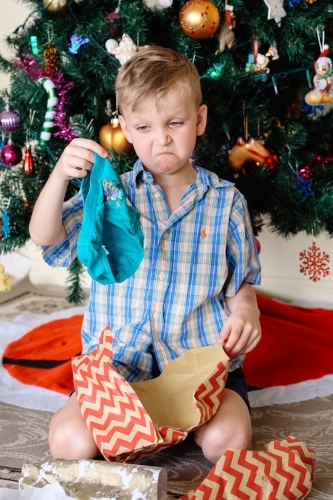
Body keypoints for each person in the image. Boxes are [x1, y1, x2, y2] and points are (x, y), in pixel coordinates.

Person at [29, 46, 261, 464]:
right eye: (144, 127)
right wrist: (61, 175)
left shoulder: (227, 203)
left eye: (175, 122)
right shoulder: (110, 194)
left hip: (199, 366)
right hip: (119, 367)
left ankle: (174, 423)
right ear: (126, 131)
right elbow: (47, 238)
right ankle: (142, 422)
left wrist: (248, 312)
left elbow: (239, 283)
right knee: (70, 442)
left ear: (200, 120)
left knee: (227, 442)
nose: (163, 138)